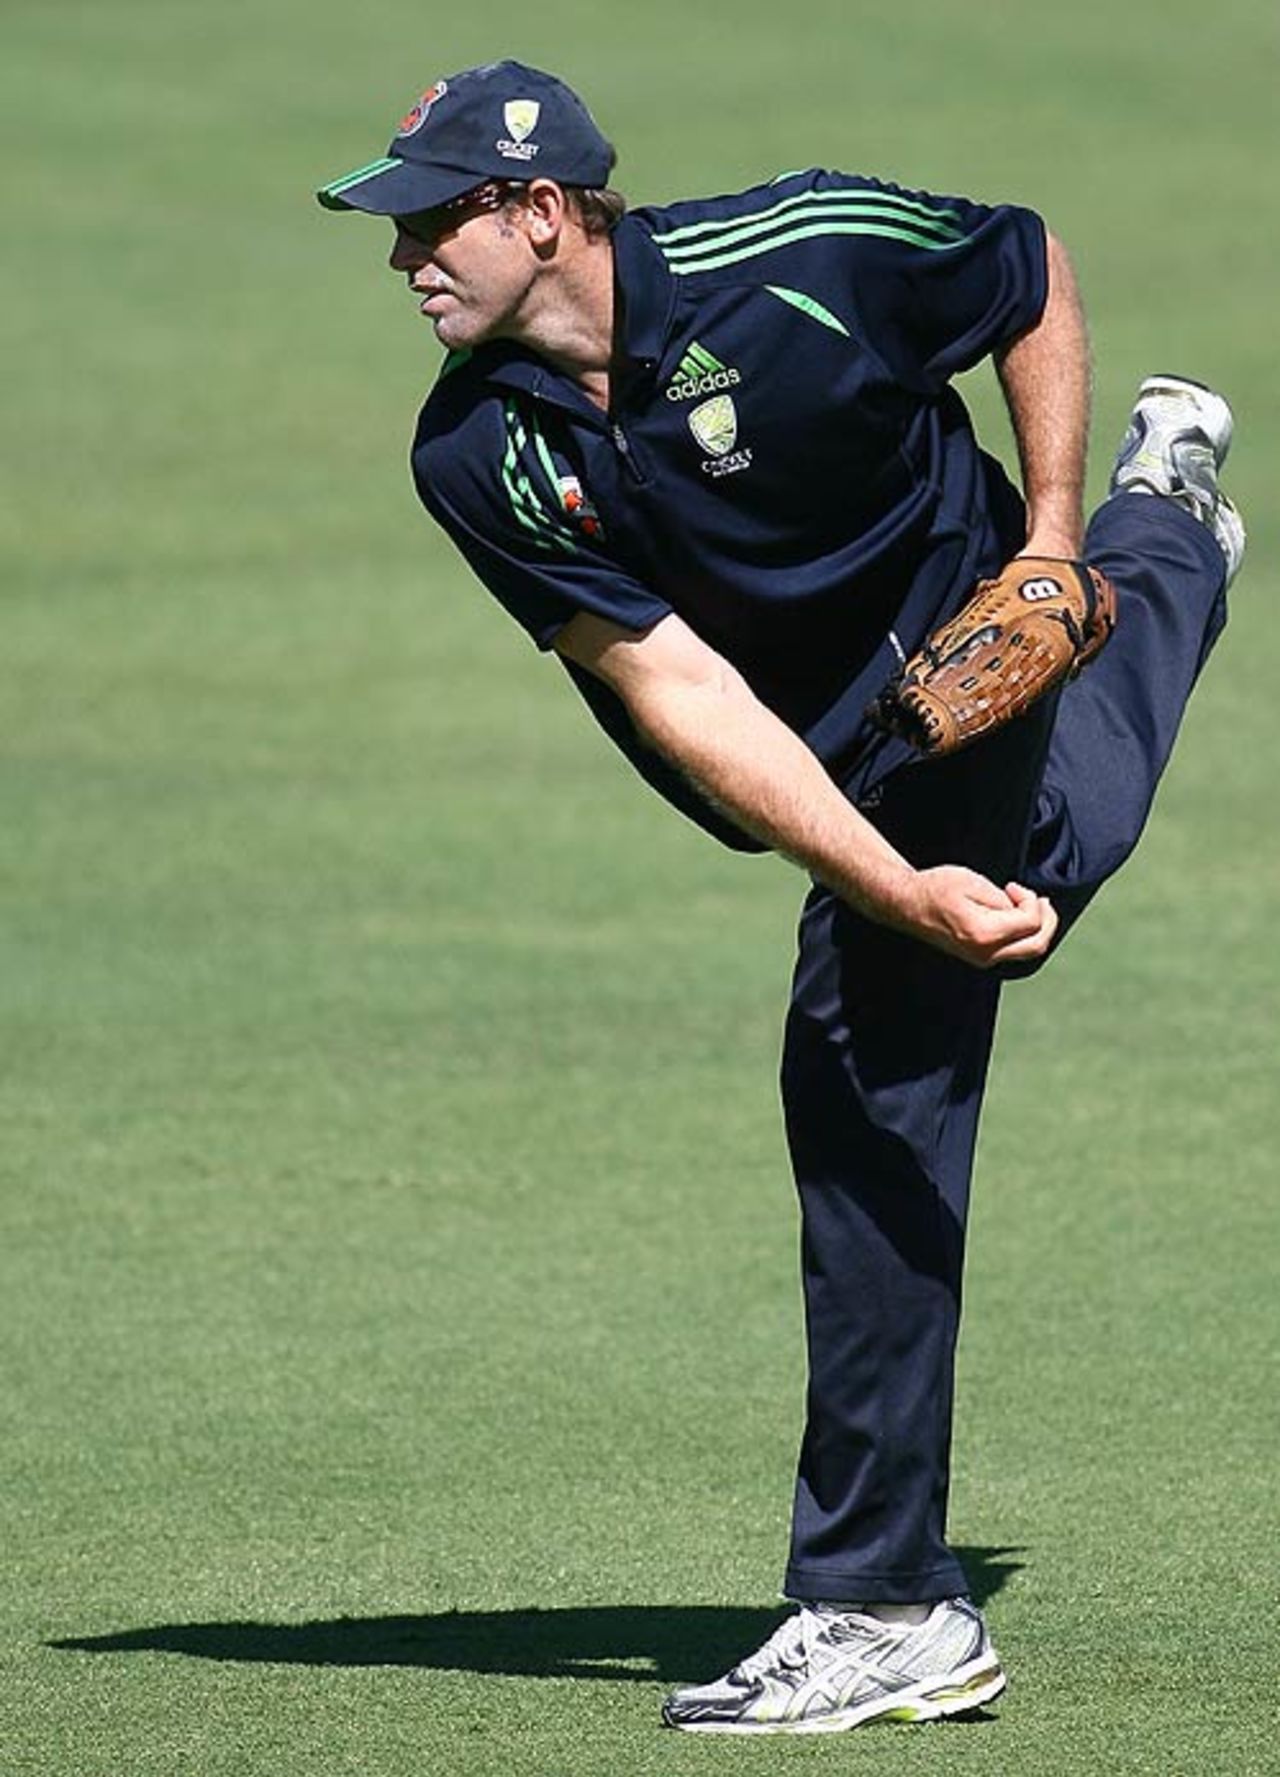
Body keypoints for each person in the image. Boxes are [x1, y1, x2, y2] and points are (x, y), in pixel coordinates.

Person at [317, 60, 1244, 1735]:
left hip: (966, 628)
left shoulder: (803, 255)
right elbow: (680, 691)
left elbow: (1021, 268)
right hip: (817, 748)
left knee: (869, 1074)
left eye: (433, 222)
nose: (405, 262)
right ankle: (1168, 528)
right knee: (1030, 870)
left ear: (546, 212)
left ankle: (885, 1600)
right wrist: (887, 878)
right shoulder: (477, 457)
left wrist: (1042, 544)